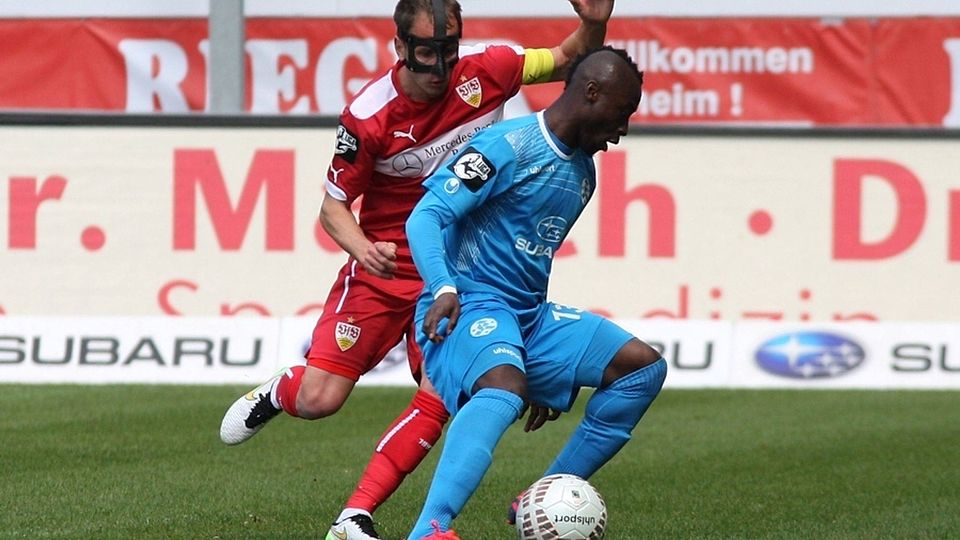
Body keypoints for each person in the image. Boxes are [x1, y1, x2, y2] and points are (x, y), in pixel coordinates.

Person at [218, 1, 616, 539]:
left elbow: (572, 59)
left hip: (462, 272)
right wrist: (362, 249)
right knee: (321, 399)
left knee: (438, 397)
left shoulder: (491, 67)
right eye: (426, 52)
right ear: (400, 46)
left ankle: (353, 518)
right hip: (386, 266)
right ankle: (279, 392)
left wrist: (594, 22)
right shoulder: (368, 115)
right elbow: (332, 207)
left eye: (448, 51)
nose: (439, 66)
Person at [403, 46, 665, 540]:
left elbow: (527, 260)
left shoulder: (582, 174)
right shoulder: (506, 146)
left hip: (526, 318)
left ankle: (542, 495)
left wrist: (531, 360)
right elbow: (425, 217)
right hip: (466, 305)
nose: (624, 129)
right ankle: (428, 531)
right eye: (622, 113)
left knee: (642, 367)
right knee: (504, 387)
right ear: (591, 92)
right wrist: (442, 286)